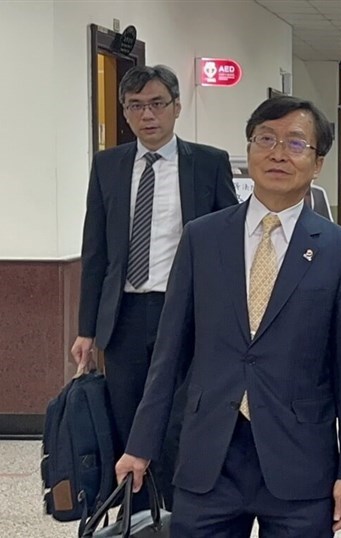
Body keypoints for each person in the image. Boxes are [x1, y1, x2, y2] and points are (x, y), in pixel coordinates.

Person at [116, 96, 341, 537]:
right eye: (265, 139)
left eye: (295, 143)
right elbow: (170, 352)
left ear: (318, 164)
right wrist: (140, 445)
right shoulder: (203, 237)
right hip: (209, 456)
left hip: (301, 462)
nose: (277, 153)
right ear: (249, 149)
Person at [71, 65, 237, 507]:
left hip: (186, 311)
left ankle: (182, 511)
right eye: (136, 106)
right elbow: (95, 252)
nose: (148, 115)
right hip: (124, 313)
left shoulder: (207, 162)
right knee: (129, 419)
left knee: (180, 418)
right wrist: (87, 328)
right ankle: (139, 516)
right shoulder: (108, 165)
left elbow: (229, 244)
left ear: (177, 107)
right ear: (125, 113)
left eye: (157, 104)